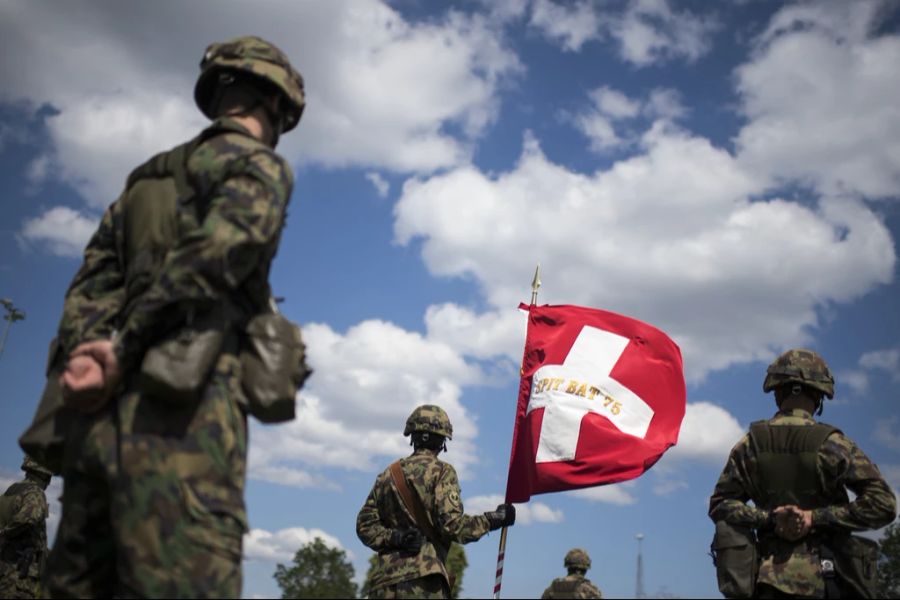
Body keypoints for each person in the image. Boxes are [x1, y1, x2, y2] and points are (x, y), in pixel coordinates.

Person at [42, 35, 306, 598]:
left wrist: (92, 352)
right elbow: (218, 253)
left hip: (97, 426)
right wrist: (128, 345)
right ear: (276, 104)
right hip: (186, 425)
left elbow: (89, 283)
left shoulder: (147, 180)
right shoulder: (260, 166)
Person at [709, 349, 896, 598]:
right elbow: (883, 505)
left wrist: (768, 517)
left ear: (778, 392)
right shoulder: (834, 444)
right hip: (828, 578)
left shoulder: (749, 445)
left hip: (765, 581)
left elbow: (721, 506)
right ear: (819, 395)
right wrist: (815, 518)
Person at [357, 404, 516, 599]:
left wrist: (395, 537)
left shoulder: (388, 475)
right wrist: (494, 519)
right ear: (442, 440)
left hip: (384, 585)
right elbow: (453, 526)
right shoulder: (442, 472)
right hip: (424, 583)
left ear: (413, 436)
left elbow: (364, 526)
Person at [0, 456, 52, 599]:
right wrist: (4, 534)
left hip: (5, 571)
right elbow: (29, 519)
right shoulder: (36, 493)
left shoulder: (10, 492)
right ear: (46, 475)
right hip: (21, 575)